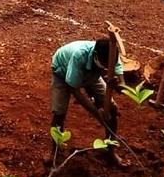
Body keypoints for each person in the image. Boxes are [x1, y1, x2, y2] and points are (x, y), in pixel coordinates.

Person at [48, 38, 125, 167]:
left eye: (108, 66)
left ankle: (110, 150)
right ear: (95, 56)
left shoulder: (111, 55)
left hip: (92, 74)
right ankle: (53, 152)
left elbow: (121, 81)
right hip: (62, 72)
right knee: (59, 113)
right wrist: (97, 113)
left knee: (111, 109)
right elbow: (75, 90)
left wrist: (119, 85)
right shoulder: (79, 55)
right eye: (104, 65)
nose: (107, 69)